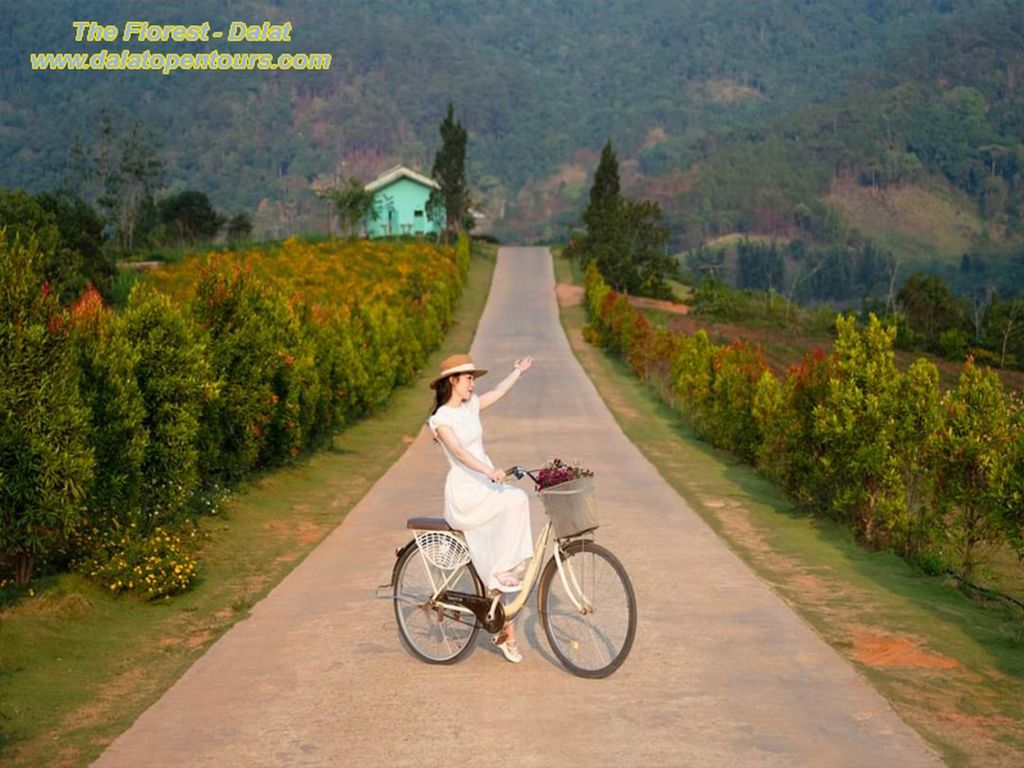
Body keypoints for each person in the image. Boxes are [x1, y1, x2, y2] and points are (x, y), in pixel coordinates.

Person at [427, 353, 535, 663]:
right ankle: (499, 583)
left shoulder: (471, 406)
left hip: (485, 486)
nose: (473, 384)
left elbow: (497, 393)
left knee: (515, 506)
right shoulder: (441, 420)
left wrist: (517, 372)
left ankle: (500, 613)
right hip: (466, 491)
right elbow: (460, 453)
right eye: (468, 378)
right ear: (452, 381)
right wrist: (489, 471)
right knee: (515, 500)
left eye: (474, 379)